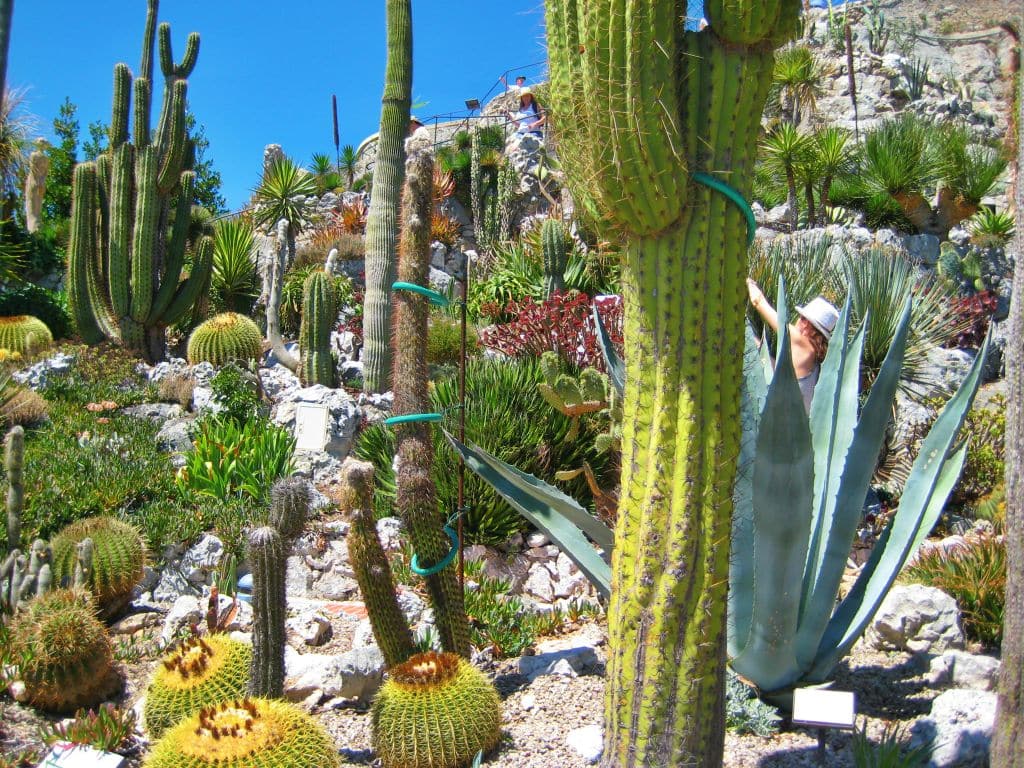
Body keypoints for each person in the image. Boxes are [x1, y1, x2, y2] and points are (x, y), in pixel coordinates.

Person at [746, 278, 839, 412]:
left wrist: (749, 282)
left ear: (808, 325)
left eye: (802, 318)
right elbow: (775, 369)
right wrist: (753, 342)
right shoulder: (816, 363)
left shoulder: (799, 340)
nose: (798, 321)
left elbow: (758, 302)